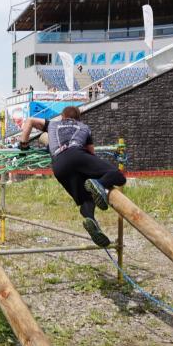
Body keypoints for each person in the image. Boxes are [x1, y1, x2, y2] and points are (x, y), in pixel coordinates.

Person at [42, 106, 126, 247]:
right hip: (76, 155)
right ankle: (99, 183)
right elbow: (91, 152)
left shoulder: (53, 125)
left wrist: (24, 144)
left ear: (62, 117)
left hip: (58, 166)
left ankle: (90, 218)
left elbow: (31, 122)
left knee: (86, 199)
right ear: (78, 117)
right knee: (119, 176)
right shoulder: (83, 127)